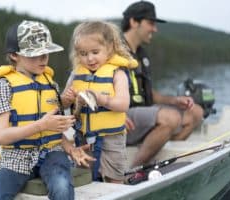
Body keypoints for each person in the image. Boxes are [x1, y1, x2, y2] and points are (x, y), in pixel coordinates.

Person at [0, 20, 94, 200]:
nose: (43, 59)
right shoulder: (3, 86)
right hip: (16, 157)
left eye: (46, 52)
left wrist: (71, 149)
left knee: (62, 187)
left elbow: (55, 131)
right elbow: (2, 136)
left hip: (52, 154)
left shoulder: (51, 84)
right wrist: (41, 125)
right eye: (35, 54)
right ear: (14, 55)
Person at [121, 1, 204, 167]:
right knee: (171, 118)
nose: (155, 29)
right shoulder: (114, 50)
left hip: (144, 116)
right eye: (150, 23)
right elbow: (97, 85)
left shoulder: (141, 54)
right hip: (122, 117)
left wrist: (174, 100)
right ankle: (133, 171)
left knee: (196, 112)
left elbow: (149, 93)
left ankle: (156, 151)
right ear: (133, 22)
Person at [62, 21, 138, 183]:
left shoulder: (117, 74)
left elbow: (123, 104)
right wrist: (66, 99)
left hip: (112, 139)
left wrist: (100, 98)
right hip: (83, 139)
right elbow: (62, 105)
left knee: (114, 179)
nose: (89, 59)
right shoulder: (76, 75)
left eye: (95, 52)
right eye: (83, 54)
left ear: (110, 47)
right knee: (85, 179)